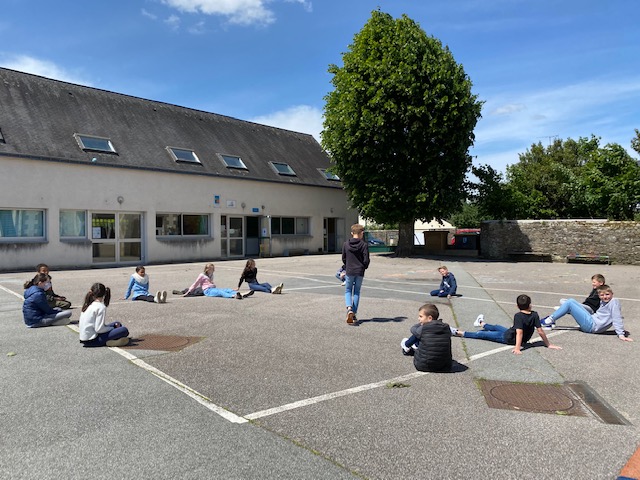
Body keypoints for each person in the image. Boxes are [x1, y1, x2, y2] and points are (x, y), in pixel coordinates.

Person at [453, 294, 562, 354]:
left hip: (508, 338)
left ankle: (458, 332)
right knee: (496, 326)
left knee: (481, 334)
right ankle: (481, 322)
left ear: (517, 306)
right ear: (530, 305)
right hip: (510, 333)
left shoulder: (518, 316)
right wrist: (548, 344)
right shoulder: (535, 314)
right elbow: (540, 331)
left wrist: (517, 348)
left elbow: (519, 333)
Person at [541, 285, 633, 342]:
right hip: (592, 320)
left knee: (569, 303)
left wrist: (621, 334)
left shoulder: (614, 301)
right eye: (602, 295)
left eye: (607, 294)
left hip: (592, 326)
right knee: (569, 301)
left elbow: (617, 318)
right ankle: (564, 311)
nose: (605, 297)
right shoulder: (604, 302)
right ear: (599, 296)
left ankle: (548, 321)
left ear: (612, 294)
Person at [400, 303, 453, 372]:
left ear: (429, 318)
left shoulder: (423, 329)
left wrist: (421, 324)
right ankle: (415, 346)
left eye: (421, 316)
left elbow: (413, 329)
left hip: (424, 366)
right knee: (428, 338)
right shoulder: (446, 327)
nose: (418, 319)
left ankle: (408, 347)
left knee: (413, 339)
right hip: (444, 366)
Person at [79, 283, 129, 347]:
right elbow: (99, 329)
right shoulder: (100, 307)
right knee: (124, 330)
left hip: (84, 338)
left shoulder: (88, 304)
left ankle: (112, 340)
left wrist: (112, 327)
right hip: (93, 340)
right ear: (104, 294)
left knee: (117, 323)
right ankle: (109, 341)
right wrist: (112, 328)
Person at [342, 224, 370, 324]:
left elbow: (344, 258)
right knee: (357, 292)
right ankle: (354, 313)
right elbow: (366, 259)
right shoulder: (364, 245)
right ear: (361, 233)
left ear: (352, 233)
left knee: (348, 290)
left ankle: (349, 308)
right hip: (359, 271)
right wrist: (364, 267)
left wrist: (347, 265)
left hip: (350, 270)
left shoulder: (346, 244)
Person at [185, 263, 252, 299]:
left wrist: (211, 283)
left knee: (226, 289)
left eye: (213, 269)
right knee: (220, 292)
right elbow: (195, 284)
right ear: (207, 269)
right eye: (211, 269)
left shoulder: (211, 275)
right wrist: (189, 292)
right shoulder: (201, 275)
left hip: (212, 288)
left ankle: (239, 294)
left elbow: (211, 283)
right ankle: (234, 296)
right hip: (207, 291)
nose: (213, 270)